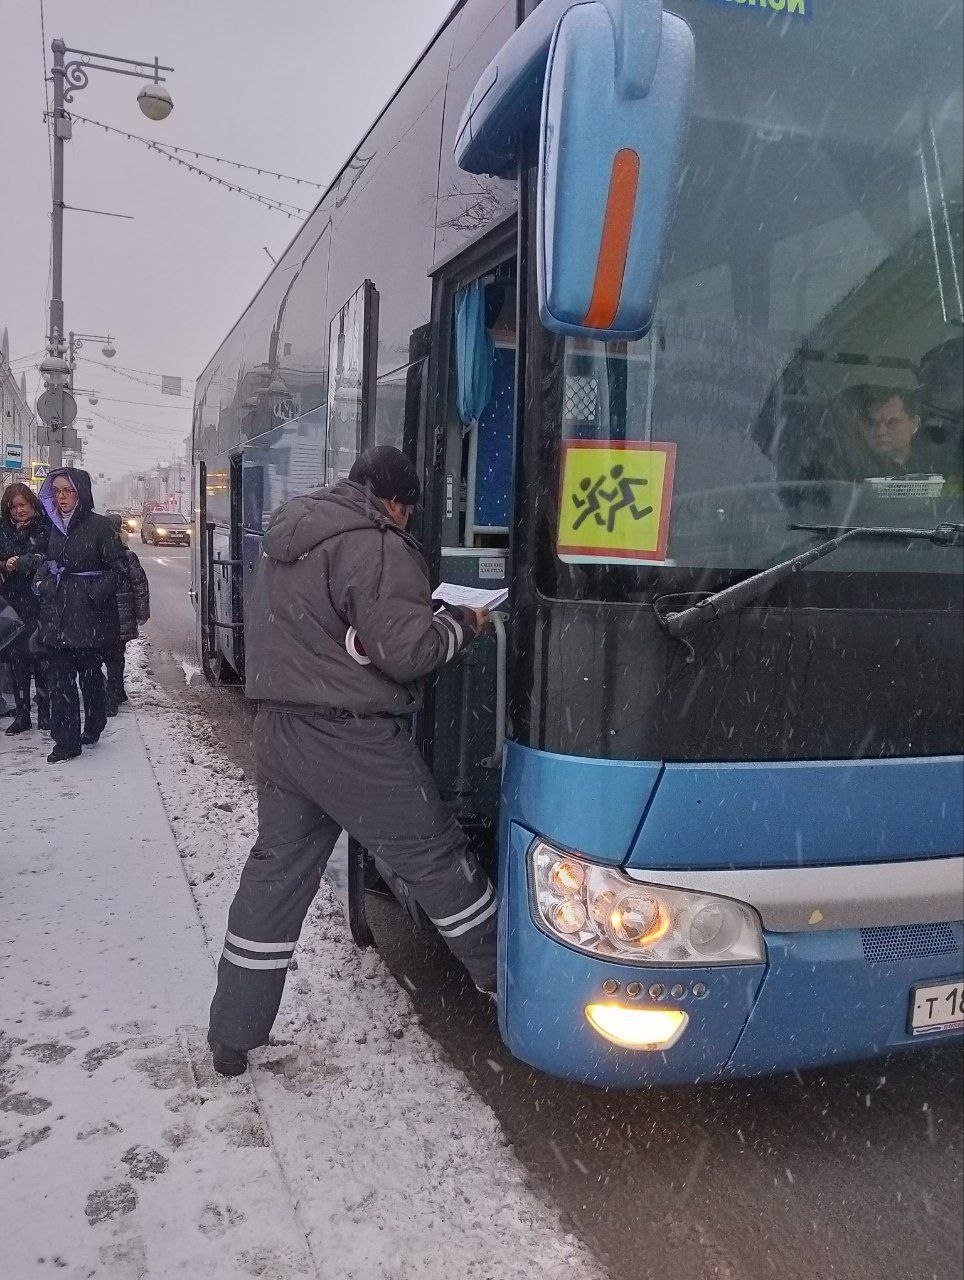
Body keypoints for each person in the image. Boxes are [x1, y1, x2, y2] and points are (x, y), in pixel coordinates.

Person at [208, 445, 496, 1076]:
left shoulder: (292, 534)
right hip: (352, 740)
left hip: (281, 731)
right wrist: (463, 625)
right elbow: (408, 652)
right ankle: (506, 982)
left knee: (275, 877)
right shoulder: (378, 544)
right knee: (436, 855)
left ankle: (233, 1032)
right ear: (395, 501)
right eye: (408, 508)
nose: (407, 518)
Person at [34, 468, 126, 764]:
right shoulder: (52, 527)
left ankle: (95, 722)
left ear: (81, 493)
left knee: (89, 678)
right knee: (60, 681)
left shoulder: (100, 527)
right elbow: (47, 563)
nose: (61, 497)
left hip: (89, 620)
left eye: (68, 491)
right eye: (57, 491)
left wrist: (90, 595)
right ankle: (66, 742)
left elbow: (118, 570)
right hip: (57, 618)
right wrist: (41, 583)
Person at [0, 482, 51, 734]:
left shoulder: (45, 527)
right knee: (17, 661)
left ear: (32, 504)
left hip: (39, 603)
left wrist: (23, 562)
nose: (19, 511)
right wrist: (4, 565)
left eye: (23, 505)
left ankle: (45, 712)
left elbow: (49, 557)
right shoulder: (3, 530)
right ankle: (22, 715)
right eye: (13, 507)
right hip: (12, 605)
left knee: (42, 659)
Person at [104, 513, 151, 715]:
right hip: (120, 616)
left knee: (106, 657)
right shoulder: (127, 555)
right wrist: (141, 613)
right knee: (116, 657)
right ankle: (117, 692)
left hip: (107, 616)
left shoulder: (105, 553)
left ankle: (112, 696)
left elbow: (139, 585)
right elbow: (141, 586)